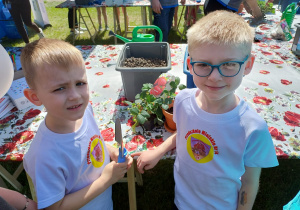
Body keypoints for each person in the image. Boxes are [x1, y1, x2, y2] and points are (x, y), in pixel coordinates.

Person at [133, 10, 278, 209]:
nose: (214, 77)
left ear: (248, 65)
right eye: (203, 64)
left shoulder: (253, 128)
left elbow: (250, 182)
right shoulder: (183, 101)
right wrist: (158, 151)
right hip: (182, 201)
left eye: (228, 65)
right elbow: (183, 134)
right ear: (189, 65)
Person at [21, 38, 133, 209]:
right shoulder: (44, 156)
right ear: (34, 97)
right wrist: (106, 179)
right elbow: (54, 207)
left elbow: (91, 142)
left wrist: (110, 151)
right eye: (60, 88)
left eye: (80, 83)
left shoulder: (84, 111)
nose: (75, 96)